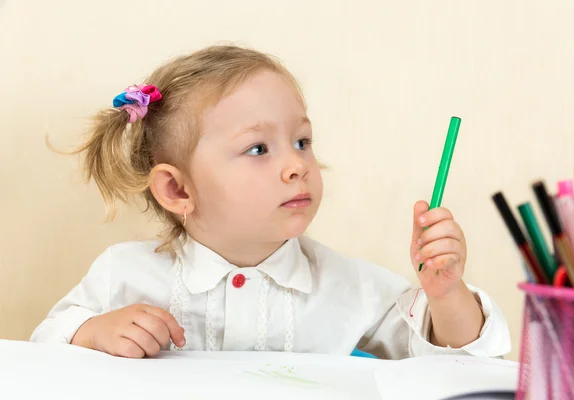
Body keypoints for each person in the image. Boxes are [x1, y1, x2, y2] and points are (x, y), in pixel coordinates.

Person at [31, 45, 510, 359]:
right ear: (178, 190)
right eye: (258, 149)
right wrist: (90, 333)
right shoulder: (123, 275)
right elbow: (40, 350)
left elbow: (462, 362)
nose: (297, 165)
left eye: (301, 141)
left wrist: (446, 296)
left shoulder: (350, 286)